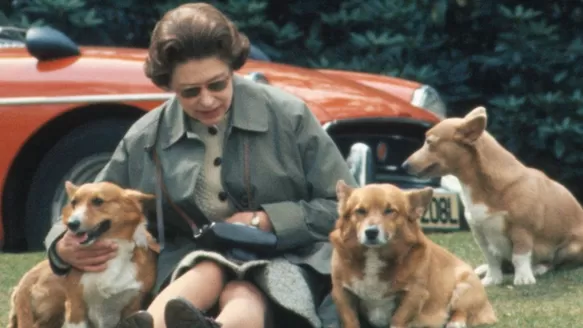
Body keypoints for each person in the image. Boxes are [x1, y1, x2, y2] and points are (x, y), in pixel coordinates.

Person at [42, 3, 358, 328]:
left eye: (217, 85)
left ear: (233, 69)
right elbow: (83, 204)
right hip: (193, 263)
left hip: (290, 256)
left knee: (246, 286)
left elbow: (347, 209)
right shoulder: (147, 137)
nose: (206, 100)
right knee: (208, 268)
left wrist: (267, 220)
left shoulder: (289, 117)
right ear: (169, 87)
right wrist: (60, 247)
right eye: (190, 92)